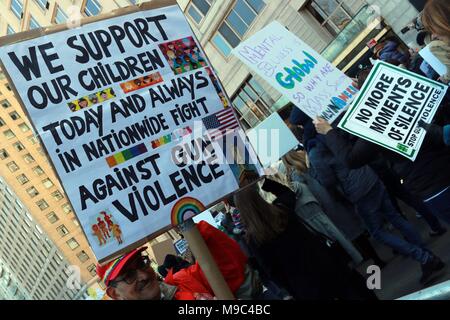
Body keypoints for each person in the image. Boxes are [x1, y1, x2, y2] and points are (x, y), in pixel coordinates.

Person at [234, 184, 378, 300]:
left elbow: (273, 271)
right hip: (326, 263)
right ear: (259, 197)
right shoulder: (282, 211)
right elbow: (287, 192)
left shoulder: (253, 239)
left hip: (304, 284)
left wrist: (291, 290)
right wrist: (265, 182)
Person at [97, 221, 262, 300]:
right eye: (128, 275)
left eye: (142, 263)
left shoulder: (184, 280)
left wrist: (183, 222)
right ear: (115, 294)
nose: (143, 276)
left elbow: (235, 272)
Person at [282, 150, 386, 267]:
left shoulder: (295, 174)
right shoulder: (308, 157)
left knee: (344, 234)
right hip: (333, 195)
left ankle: (367, 258)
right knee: (355, 229)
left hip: (322, 205)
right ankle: (376, 258)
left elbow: (304, 192)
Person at [421, 0, 450, 84]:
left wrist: (445, 78)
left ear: (443, 22)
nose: (433, 36)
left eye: (434, 28)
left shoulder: (435, 46)